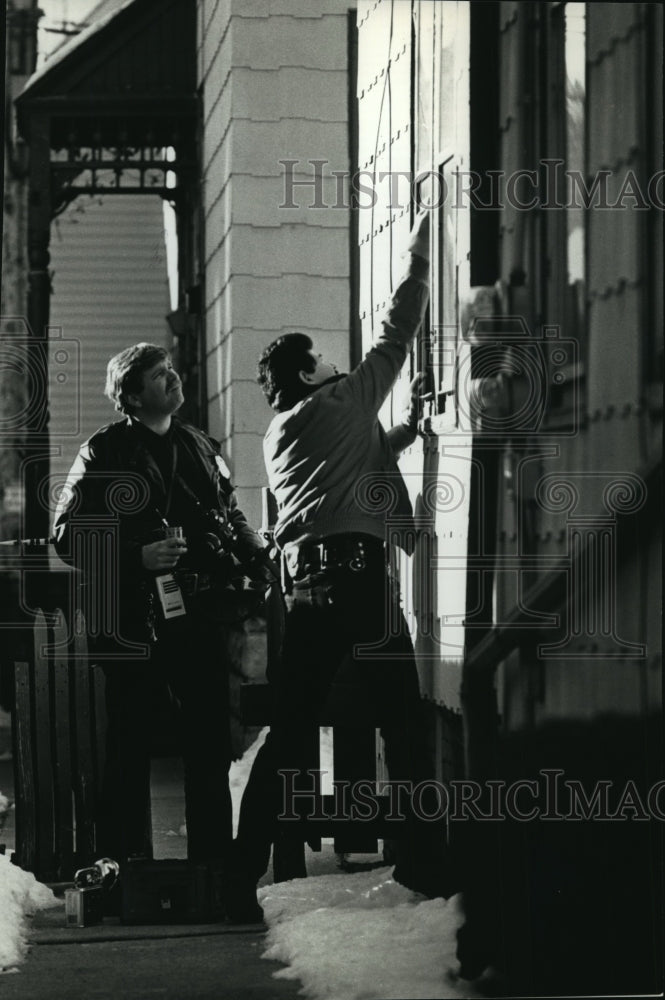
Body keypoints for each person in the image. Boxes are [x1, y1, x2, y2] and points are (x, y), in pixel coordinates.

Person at [230, 210, 455, 919]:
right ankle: (426, 863)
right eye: (323, 357)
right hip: (359, 581)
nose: (334, 363)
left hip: (305, 589)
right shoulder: (341, 398)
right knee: (403, 722)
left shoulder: (281, 433)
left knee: (290, 729)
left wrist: (402, 430)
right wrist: (419, 267)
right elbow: (395, 335)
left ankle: (242, 871)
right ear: (309, 372)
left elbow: (347, 465)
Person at [53, 344, 277, 897]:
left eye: (171, 369)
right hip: (133, 621)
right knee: (129, 746)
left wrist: (261, 560)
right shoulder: (103, 451)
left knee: (207, 745)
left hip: (200, 618)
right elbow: (67, 533)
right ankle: (126, 873)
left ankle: (214, 873)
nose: (173, 378)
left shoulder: (200, 444)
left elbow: (232, 513)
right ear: (131, 396)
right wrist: (135, 557)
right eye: (158, 375)